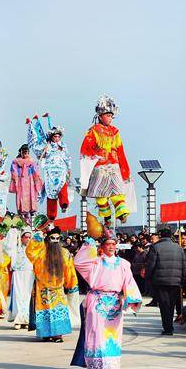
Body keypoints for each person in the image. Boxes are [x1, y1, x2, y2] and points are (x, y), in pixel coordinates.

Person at [72, 233, 142, 369]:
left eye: (113, 244)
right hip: (97, 300)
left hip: (115, 301)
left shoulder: (123, 263)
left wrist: (133, 298)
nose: (111, 246)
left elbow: (129, 282)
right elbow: (78, 262)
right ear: (102, 246)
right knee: (96, 333)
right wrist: (87, 246)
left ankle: (111, 367)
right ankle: (96, 367)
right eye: (108, 244)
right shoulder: (95, 263)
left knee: (112, 335)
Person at [79, 95, 132, 225]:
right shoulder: (93, 131)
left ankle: (122, 214)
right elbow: (85, 149)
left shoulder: (115, 131)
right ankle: (107, 217)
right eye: (108, 115)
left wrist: (125, 169)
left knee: (117, 192)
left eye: (111, 116)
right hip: (100, 167)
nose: (110, 118)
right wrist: (94, 157)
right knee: (101, 196)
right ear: (100, 116)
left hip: (114, 166)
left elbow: (121, 152)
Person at [26, 227, 79, 341]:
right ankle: (45, 333)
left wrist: (71, 285)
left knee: (58, 310)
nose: (55, 240)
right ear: (47, 239)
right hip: (43, 288)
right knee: (44, 310)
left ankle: (57, 334)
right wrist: (37, 236)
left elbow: (69, 270)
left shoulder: (65, 253)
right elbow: (30, 252)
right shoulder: (40, 253)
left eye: (57, 238)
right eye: (52, 238)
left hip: (58, 288)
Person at [145, 227, 186, 336]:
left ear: (160, 236)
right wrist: (182, 279)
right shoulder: (179, 248)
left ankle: (168, 328)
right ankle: (169, 326)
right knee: (171, 304)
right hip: (176, 281)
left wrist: (148, 277)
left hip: (160, 281)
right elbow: (184, 266)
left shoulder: (155, 247)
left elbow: (151, 265)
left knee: (164, 305)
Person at [28, 115, 71, 220]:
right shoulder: (47, 146)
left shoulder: (63, 146)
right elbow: (39, 154)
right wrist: (44, 150)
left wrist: (69, 168)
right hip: (50, 172)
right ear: (51, 137)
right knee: (50, 192)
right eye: (54, 136)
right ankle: (51, 215)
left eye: (58, 136)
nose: (56, 138)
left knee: (62, 187)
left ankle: (64, 204)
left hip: (61, 171)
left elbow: (67, 157)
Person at [6, 228, 35, 329]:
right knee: (18, 296)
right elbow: (7, 247)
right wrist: (13, 232)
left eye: (29, 237)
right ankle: (18, 320)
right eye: (25, 237)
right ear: (21, 238)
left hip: (30, 274)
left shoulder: (34, 248)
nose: (27, 239)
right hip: (18, 273)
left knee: (27, 297)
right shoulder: (16, 248)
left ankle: (26, 319)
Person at [9, 144, 43, 220]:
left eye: (26, 151)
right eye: (23, 151)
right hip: (21, 182)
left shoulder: (32, 161)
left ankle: (32, 216)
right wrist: (15, 178)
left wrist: (37, 179)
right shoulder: (15, 162)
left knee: (31, 198)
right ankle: (23, 216)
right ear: (20, 152)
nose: (25, 153)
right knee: (21, 199)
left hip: (30, 182)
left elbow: (36, 174)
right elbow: (13, 172)